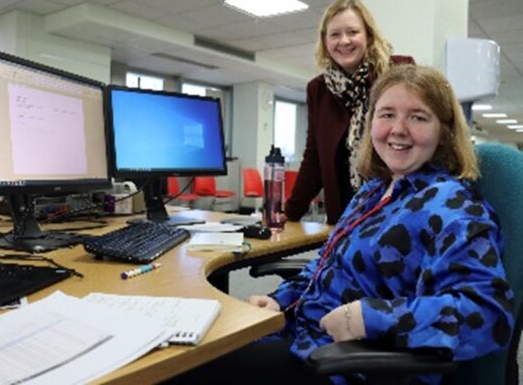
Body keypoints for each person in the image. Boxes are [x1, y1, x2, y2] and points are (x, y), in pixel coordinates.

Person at [163, 65, 514, 385]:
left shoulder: (454, 206)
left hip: (343, 366)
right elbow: (325, 268)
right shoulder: (373, 192)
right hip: (299, 334)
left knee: (180, 371)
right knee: (177, 351)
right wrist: (279, 302)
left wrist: (369, 318)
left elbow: (488, 315)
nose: (397, 129)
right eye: (386, 114)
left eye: (418, 117)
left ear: (445, 132)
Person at [285, 0, 413, 224]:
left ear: (368, 35)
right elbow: (314, 159)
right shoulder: (318, 89)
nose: (344, 41)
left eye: (352, 32)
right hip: (344, 218)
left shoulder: (398, 73)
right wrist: (288, 215)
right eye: (334, 34)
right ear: (325, 41)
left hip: (394, 214)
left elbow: (416, 144)